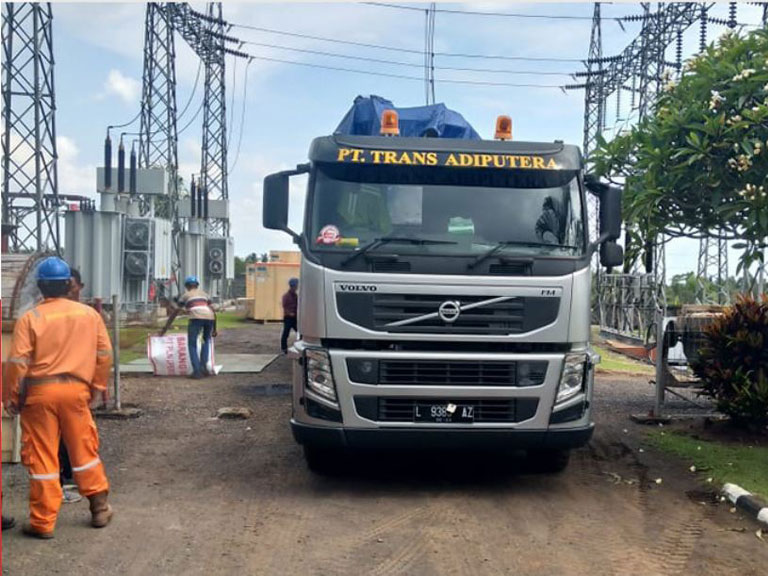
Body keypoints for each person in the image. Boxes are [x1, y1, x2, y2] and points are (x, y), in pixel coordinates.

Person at [3, 256, 114, 538]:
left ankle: (42, 523)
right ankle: (99, 508)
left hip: (39, 394)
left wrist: (9, 396)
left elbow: (16, 362)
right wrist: (96, 386)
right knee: (83, 449)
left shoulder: (32, 318)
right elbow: (104, 355)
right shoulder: (89, 315)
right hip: (76, 390)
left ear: (40, 286)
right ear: (69, 285)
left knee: (42, 455)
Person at [160, 275, 217, 379]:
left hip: (196, 318)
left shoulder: (185, 296)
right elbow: (212, 308)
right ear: (197, 285)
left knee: (192, 344)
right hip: (210, 317)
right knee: (206, 341)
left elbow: (175, 313)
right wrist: (215, 327)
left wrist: (165, 328)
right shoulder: (205, 294)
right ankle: (203, 368)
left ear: (186, 286)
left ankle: (197, 372)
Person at [281, 278, 299, 354]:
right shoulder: (286, 296)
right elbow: (284, 306)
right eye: (296, 286)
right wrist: (289, 313)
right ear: (292, 286)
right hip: (288, 318)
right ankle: (284, 348)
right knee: (286, 333)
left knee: (299, 332)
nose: (297, 287)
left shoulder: (295, 296)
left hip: (295, 318)